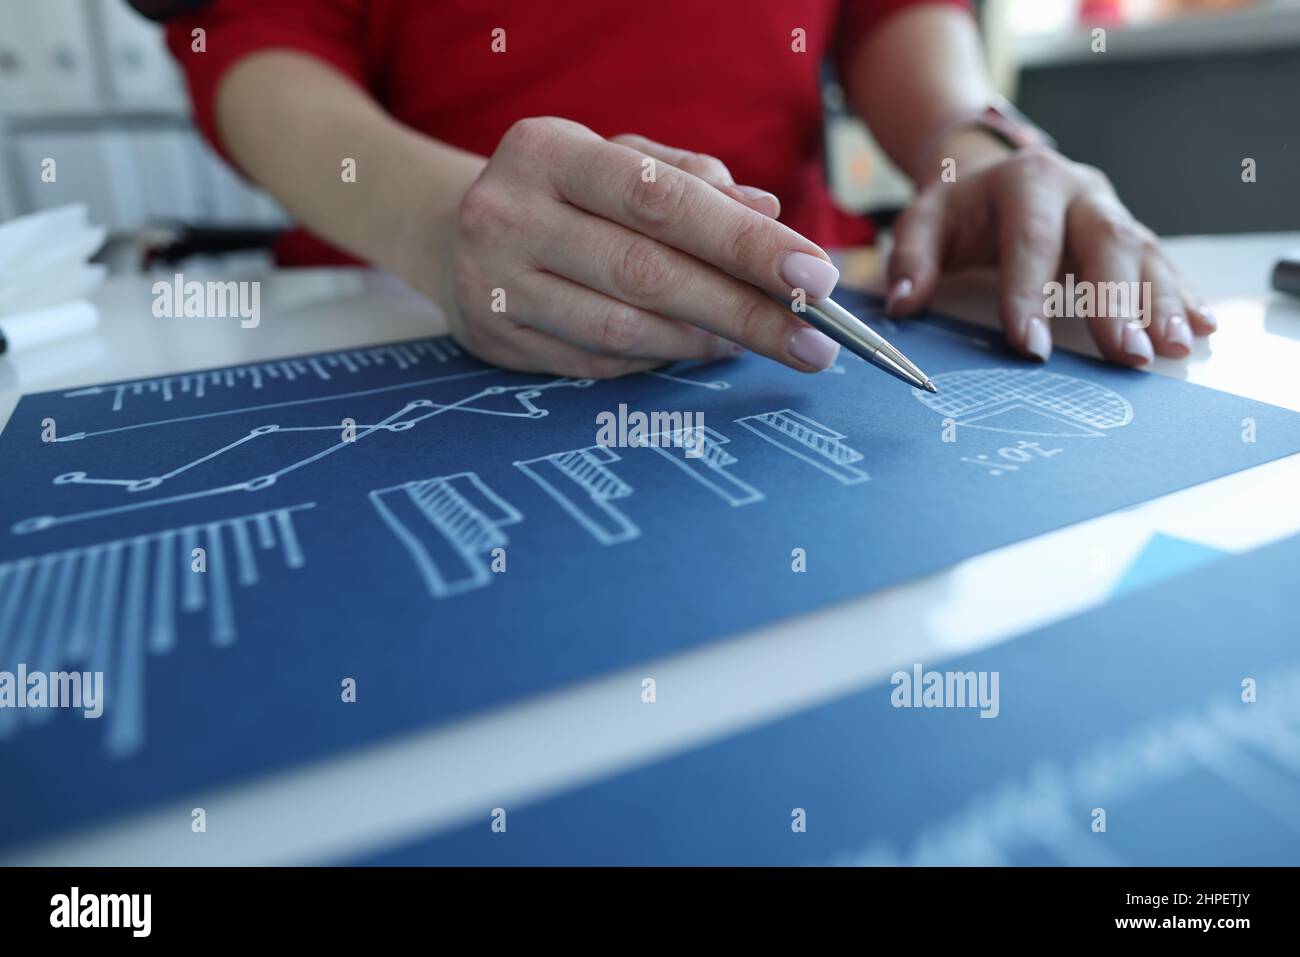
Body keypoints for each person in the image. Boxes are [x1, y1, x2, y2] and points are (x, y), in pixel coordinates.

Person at [160, 0, 1215, 379]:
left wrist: (976, 149)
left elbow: (895, 11)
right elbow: (249, 38)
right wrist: (445, 222)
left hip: (794, 297)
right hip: (409, 314)